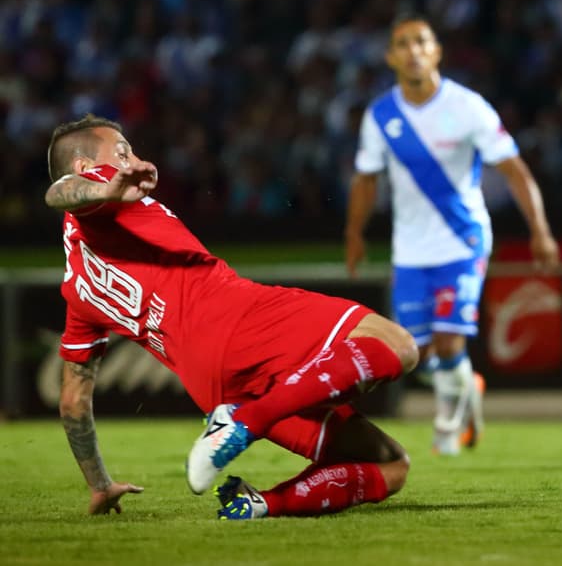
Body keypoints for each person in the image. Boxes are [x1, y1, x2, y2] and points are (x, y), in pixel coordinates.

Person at [47, 115, 419, 519]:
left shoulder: (77, 291)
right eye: (122, 151)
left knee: (390, 465)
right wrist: (106, 184)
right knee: (398, 344)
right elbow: (61, 191)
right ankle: (245, 421)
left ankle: (257, 503)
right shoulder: (99, 194)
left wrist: (100, 485)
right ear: (86, 167)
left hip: (211, 384)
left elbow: (73, 401)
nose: (133, 158)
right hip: (235, 319)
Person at [345, 16, 559, 455]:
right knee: (415, 355)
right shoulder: (381, 116)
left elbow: (515, 170)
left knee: (449, 339)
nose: (413, 51)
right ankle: (467, 388)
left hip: (463, 241)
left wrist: (540, 229)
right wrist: (354, 232)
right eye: (402, 44)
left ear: (436, 51)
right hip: (410, 250)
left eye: (421, 42)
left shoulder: (468, 107)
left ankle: (447, 432)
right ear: (390, 57)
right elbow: (366, 179)